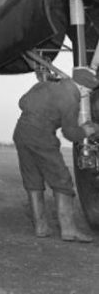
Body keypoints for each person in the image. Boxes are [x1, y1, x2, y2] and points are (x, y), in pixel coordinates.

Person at [13, 67, 99, 242]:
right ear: (82, 87)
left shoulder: (45, 86)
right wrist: (87, 130)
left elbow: (22, 102)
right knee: (62, 181)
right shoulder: (71, 99)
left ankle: (41, 227)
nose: (87, 94)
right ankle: (68, 230)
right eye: (88, 91)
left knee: (33, 178)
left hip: (21, 132)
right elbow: (69, 133)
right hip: (41, 136)